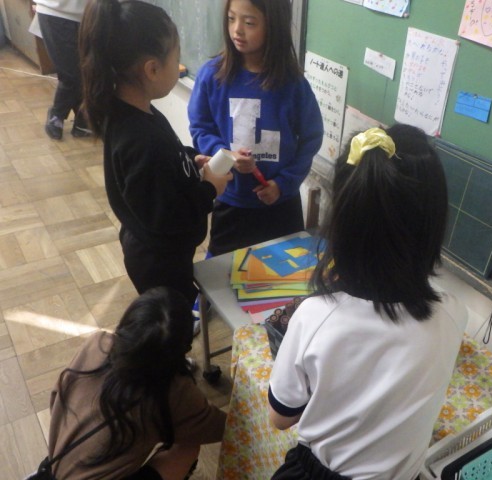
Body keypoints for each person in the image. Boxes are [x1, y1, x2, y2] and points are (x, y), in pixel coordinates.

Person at [267, 125, 469, 480]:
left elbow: (280, 418)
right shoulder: (454, 313)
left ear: (342, 220)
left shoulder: (316, 317)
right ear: (433, 224)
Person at [78, 0, 232, 306]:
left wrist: (190, 159)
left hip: (158, 249)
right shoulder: (140, 140)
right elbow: (169, 217)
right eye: (177, 57)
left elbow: (166, 159)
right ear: (152, 69)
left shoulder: (135, 114)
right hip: (158, 260)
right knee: (172, 320)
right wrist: (209, 190)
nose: (179, 65)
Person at [187, 0, 323, 258]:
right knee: (223, 274)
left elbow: (311, 137)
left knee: (285, 274)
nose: (237, 29)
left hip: (281, 205)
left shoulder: (293, 83)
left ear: (273, 25)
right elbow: (200, 127)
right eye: (231, 19)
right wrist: (226, 155)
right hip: (231, 201)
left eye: (249, 22)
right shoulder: (212, 75)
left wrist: (283, 183)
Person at [45, 287, 227, 479]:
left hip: (56, 468)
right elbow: (220, 427)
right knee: (188, 446)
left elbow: (57, 396)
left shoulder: (97, 343)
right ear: (184, 347)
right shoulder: (174, 390)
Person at [34, 0, 92, 140]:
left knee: (89, 73)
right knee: (70, 74)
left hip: (91, 14)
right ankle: (57, 114)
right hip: (55, 12)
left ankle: (83, 119)